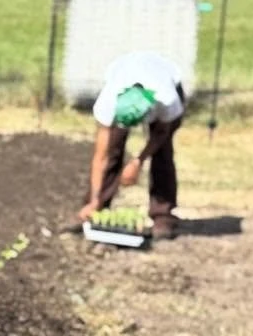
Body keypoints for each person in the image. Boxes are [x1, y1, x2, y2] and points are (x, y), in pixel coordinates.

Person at [77, 49, 187, 239]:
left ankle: (163, 214)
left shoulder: (167, 99)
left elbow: (161, 133)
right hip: (123, 76)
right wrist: (95, 198)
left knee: (163, 153)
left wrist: (138, 161)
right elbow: (100, 156)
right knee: (113, 149)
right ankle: (97, 206)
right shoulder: (108, 102)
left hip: (168, 82)